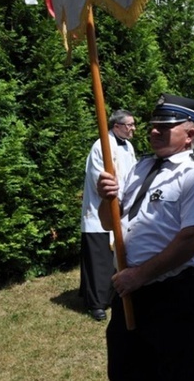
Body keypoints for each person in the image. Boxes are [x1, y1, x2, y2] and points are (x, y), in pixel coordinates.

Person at [97, 94, 194, 381]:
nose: (153, 131)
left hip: (173, 292)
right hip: (131, 289)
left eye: (164, 127)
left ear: (189, 134)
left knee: (171, 371)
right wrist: (107, 199)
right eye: (153, 126)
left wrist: (139, 275)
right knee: (125, 369)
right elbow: (109, 222)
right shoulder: (140, 167)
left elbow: (193, 238)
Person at [79, 109, 137, 321]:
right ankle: (96, 303)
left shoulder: (128, 146)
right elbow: (100, 180)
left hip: (123, 208)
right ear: (116, 126)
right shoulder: (100, 146)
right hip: (100, 210)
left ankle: (113, 293)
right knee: (99, 258)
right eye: (129, 125)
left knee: (116, 256)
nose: (133, 129)